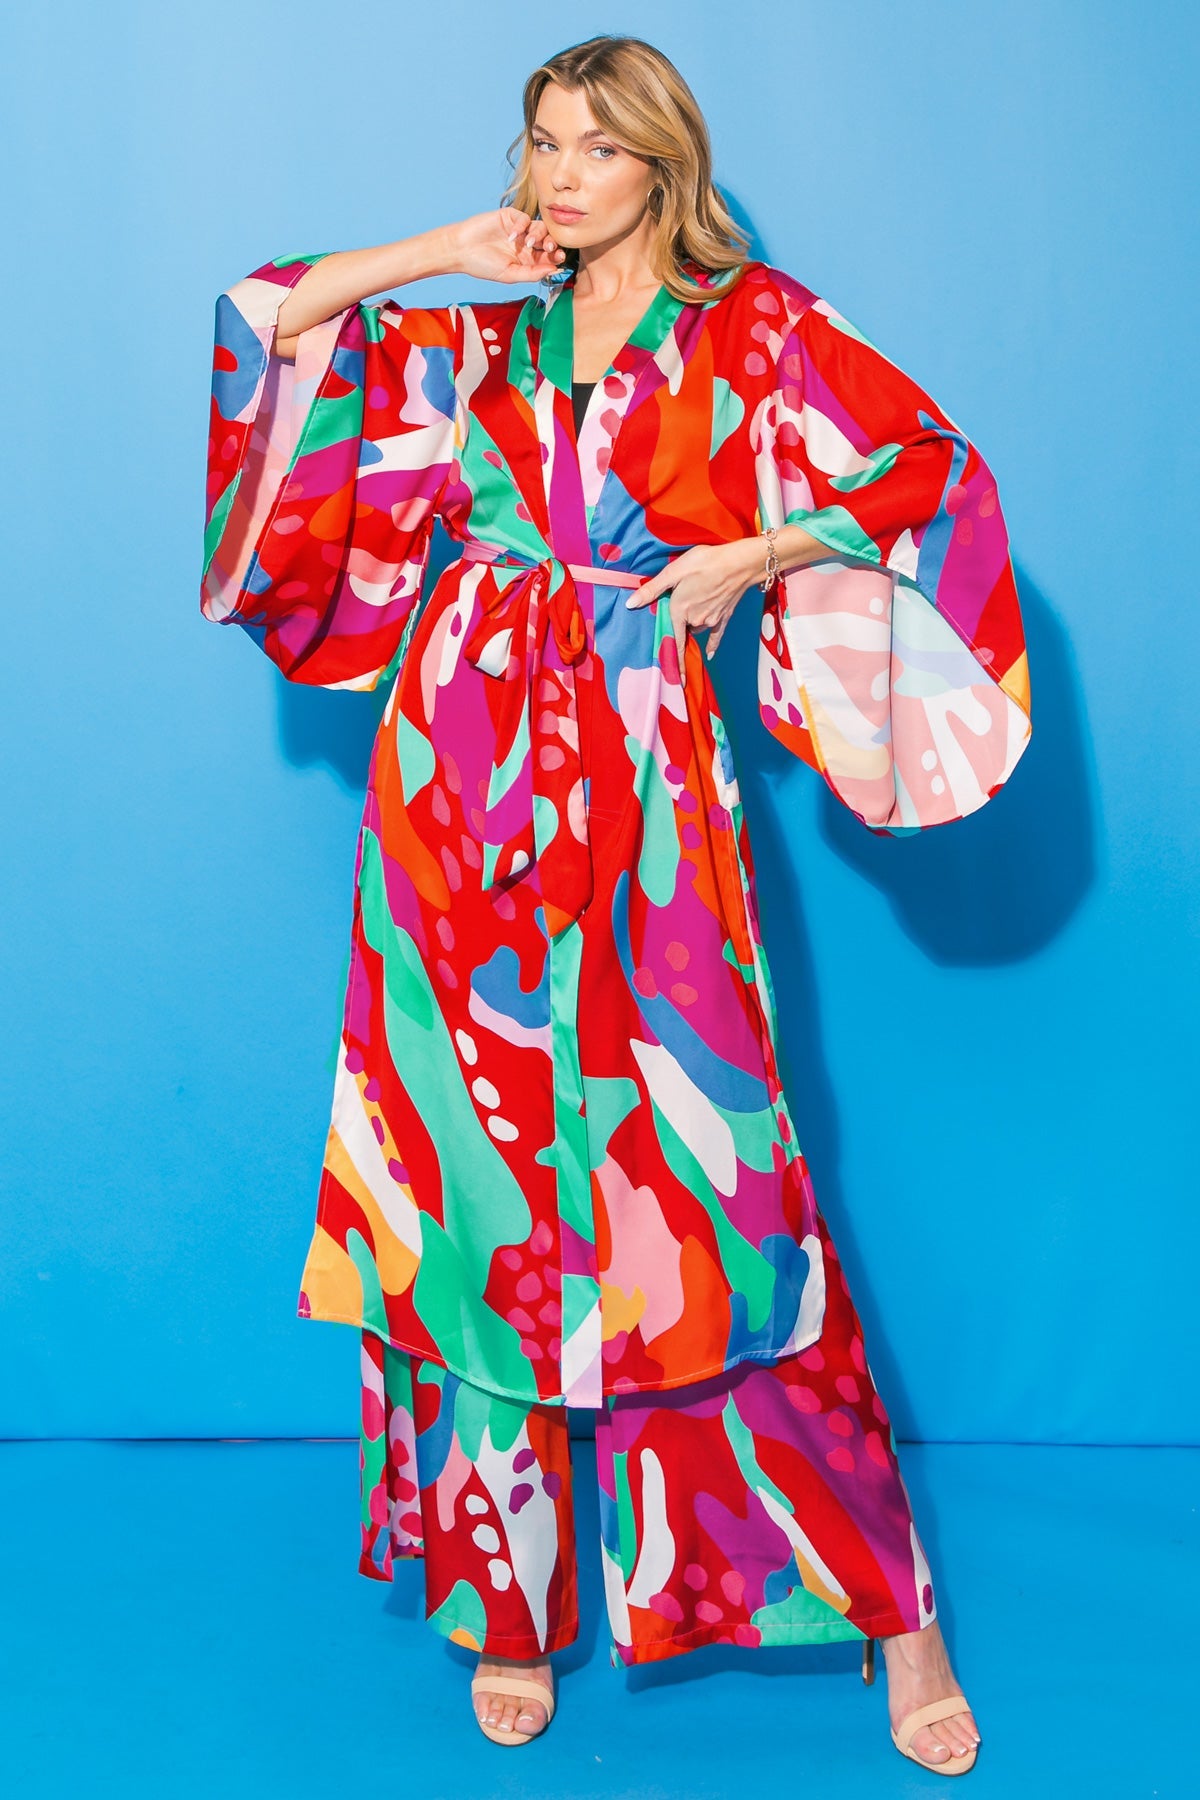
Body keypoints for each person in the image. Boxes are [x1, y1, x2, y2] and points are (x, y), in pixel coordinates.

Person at [200, 33, 1030, 1775]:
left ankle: (895, 1617)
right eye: (538, 142)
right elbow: (268, 319)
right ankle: (508, 1598)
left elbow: (925, 469)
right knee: (469, 1190)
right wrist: (446, 248)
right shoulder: (482, 335)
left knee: (725, 1204)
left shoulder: (753, 330)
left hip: (646, 795)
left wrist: (759, 552)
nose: (559, 175)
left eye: (594, 145)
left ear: (664, 162)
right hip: (455, 790)